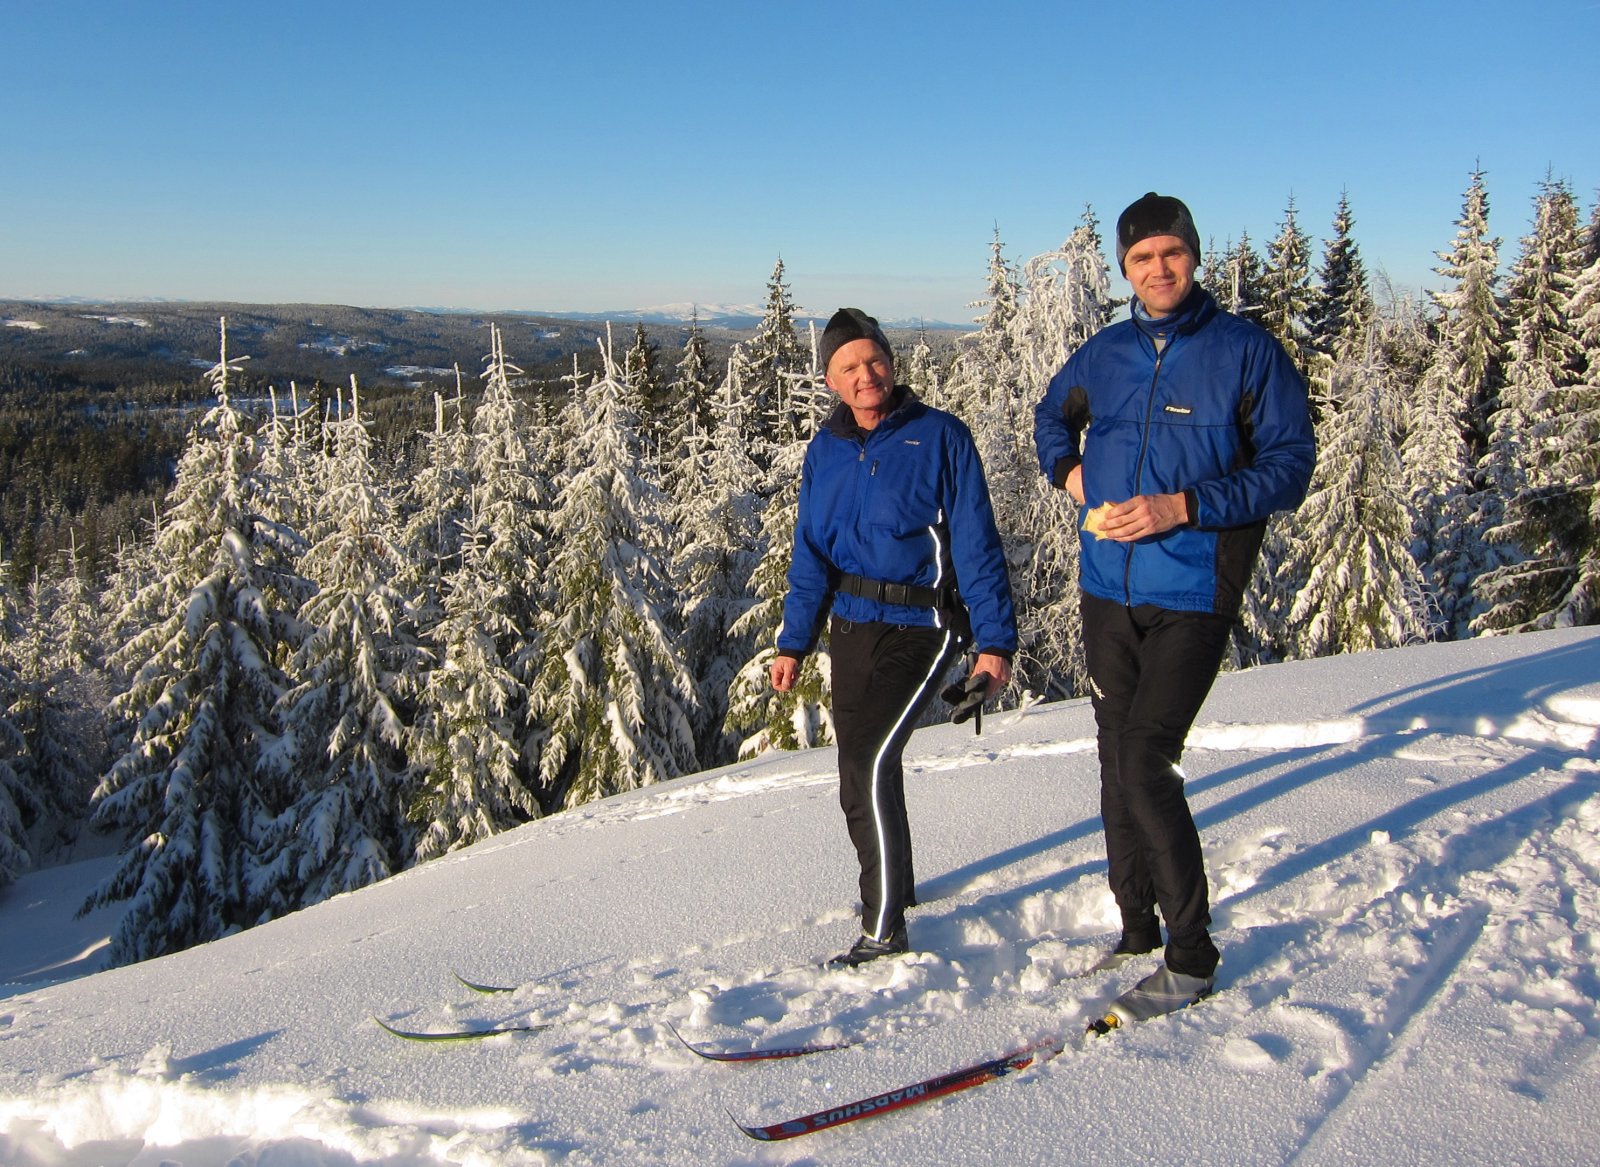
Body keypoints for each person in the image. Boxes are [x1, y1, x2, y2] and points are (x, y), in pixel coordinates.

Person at [1033, 193, 1315, 1019]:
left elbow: (1290, 465)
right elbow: (1053, 414)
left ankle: (1192, 955)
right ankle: (1136, 931)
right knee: (1113, 757)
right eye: (1141, 258)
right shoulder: (1108, 351)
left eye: (1171, 254)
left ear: (1195, 255)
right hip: (1105, 586)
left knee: (1146, 760)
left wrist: (1181, 506)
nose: (1158, 269)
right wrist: (1068, 472)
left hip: (1195, 590)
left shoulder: (1245, 352)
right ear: (1124, 269)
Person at [773, 307, 1018, 967]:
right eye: (847, 366)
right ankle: (899, 891)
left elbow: (976, 544)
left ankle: (883, 930)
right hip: (851, 627)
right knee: (859, 778)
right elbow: (811, 554)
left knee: (868, 762)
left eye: (873, 359)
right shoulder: (824, 451)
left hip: (923, 624)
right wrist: (795, 641)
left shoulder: (939, 437)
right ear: (829, 379)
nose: (865, 374)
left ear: (891, 360)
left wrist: (994, 643)